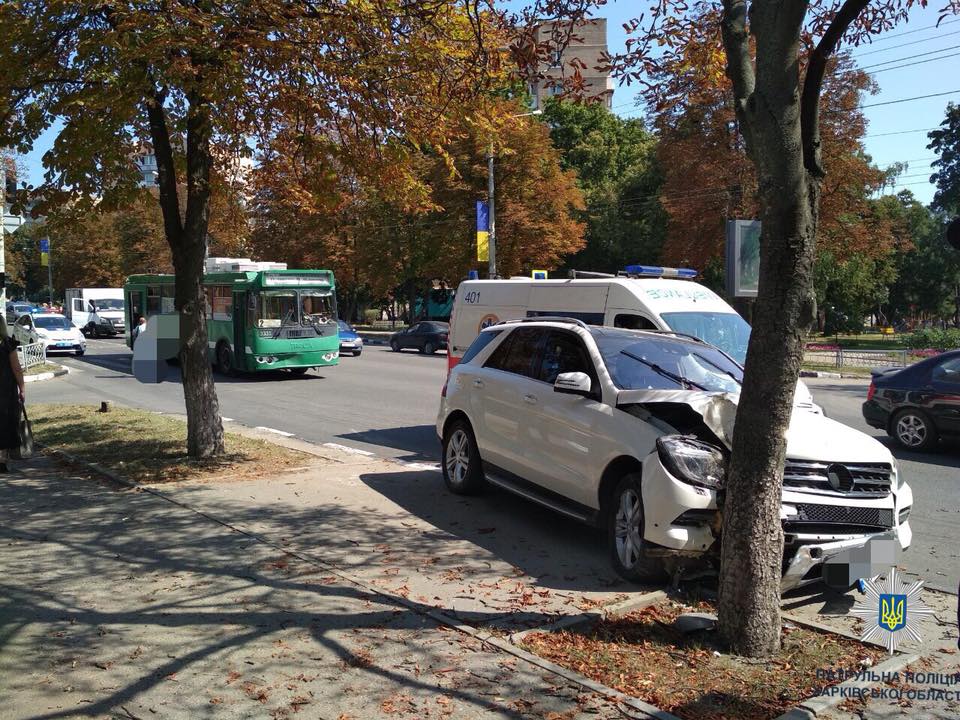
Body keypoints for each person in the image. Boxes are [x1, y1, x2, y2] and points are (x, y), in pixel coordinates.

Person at [0, 316, 25, 473]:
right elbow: (16, 368)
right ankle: (2, 459)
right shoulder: (8, 344)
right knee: (6, 423)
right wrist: (22, 388)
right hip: (6, 391)